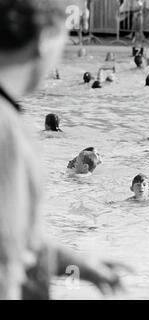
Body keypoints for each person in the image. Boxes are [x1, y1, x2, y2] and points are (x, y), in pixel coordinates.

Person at [0, 0, 127, 299]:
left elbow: (21, 238)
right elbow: (8, 246)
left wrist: (79, 265)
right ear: (45, 41)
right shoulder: (6, 127)